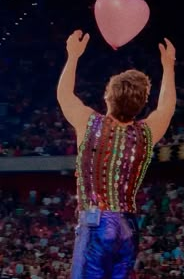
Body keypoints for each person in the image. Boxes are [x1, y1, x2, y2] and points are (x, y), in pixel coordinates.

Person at [57, 30, 176, 279]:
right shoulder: (147, 133)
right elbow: (166, 108)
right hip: (129, 228)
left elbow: (64, 96)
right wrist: (168, 66)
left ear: (107, 96)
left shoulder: (89, 123)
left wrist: (73, 55)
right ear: (142, 104)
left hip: (96, 223)